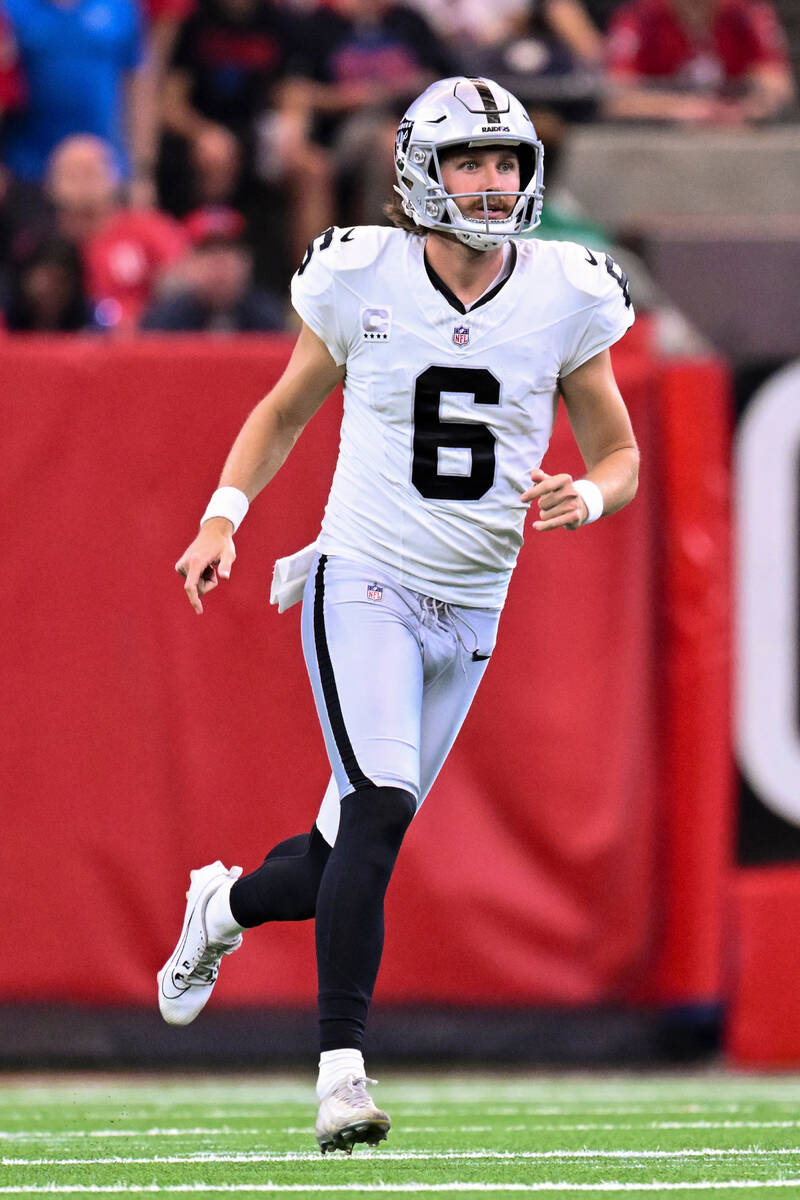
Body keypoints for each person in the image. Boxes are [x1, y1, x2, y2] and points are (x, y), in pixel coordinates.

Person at [160, 75, 639, 1154]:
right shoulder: (358, 275)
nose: (491, 181)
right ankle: (341, 1077)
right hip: (361, 574)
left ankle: (221, 910)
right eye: (469, 160)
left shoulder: (565, 290)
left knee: (344, 854)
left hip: (472, 609)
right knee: (376, 807)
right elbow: (285, 406)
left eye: (506, 160)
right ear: (420, 170)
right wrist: (223, 517)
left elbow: (619, 452)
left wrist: (590, 494)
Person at [46, 134, 187, 333]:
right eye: (72, 174)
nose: (83, 186)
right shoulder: (44, 247)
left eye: (91, 173)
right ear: (51, 185)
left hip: (145, 341)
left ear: (114, 176)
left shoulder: (148, 228)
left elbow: (182, 280)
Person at [604, 0, 796, 125]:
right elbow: (615, 97)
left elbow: (778, 86)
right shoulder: (639, 16)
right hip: (661, 139)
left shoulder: (749, 13)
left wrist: (744, 110)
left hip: (735, 137)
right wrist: (683, 109)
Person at [141, 205, 285, 331]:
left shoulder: (268, 318)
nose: (220, 263)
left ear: (247, 261)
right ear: (188, 263)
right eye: (208, 252)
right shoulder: (165, 322)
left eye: (229, 250)